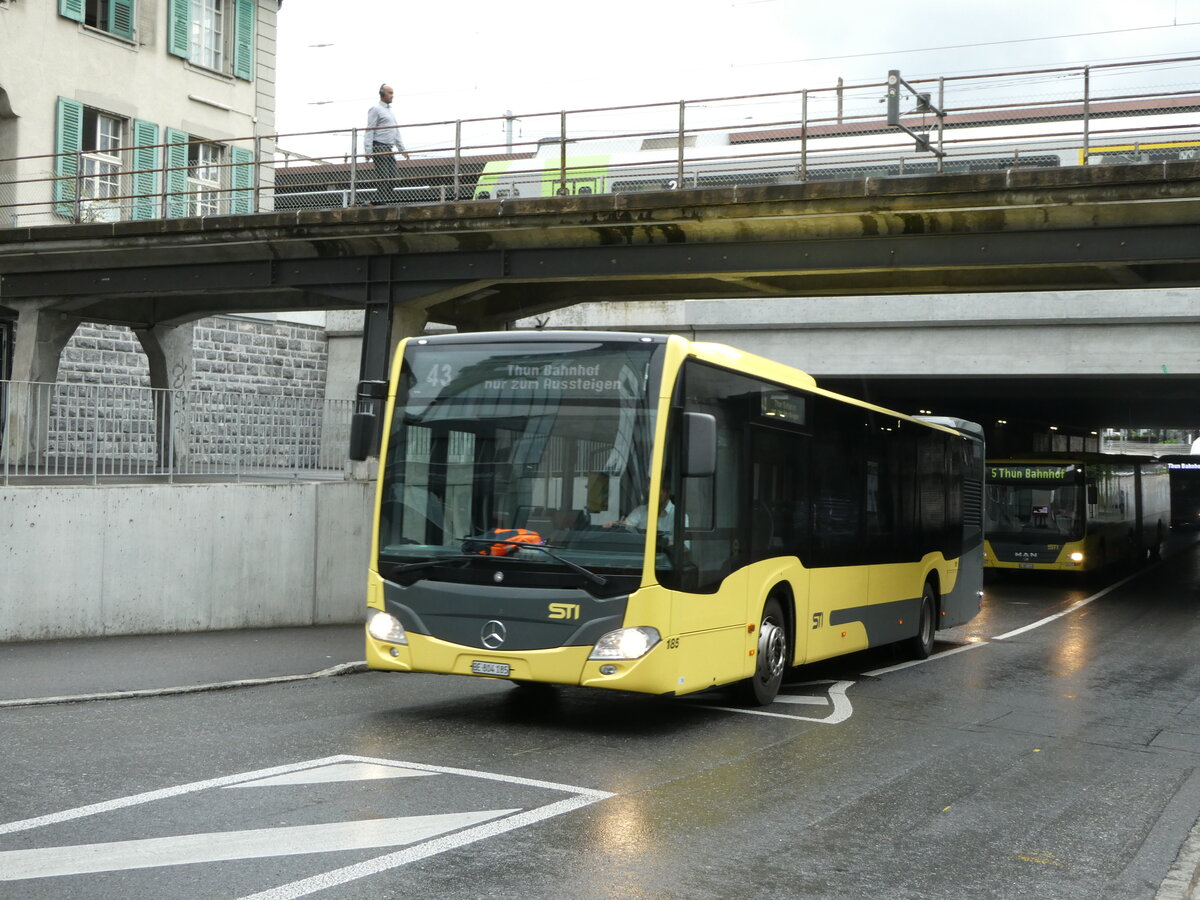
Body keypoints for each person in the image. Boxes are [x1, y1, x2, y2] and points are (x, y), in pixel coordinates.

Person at [366, 84, 410, 205]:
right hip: (379, 146)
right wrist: (368, 150)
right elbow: (370, 129)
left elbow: (395, 131)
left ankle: (377, 200)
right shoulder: (375, 109)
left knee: (394, 178)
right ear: (382, 94)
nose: (392, 95)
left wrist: (402, 149)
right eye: (390, 93)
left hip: (388, 147)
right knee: (384, 176)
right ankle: (377, 201)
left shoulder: (390, 111)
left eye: (392, 93)